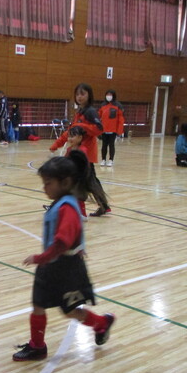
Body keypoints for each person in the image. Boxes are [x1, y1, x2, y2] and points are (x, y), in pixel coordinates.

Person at [13, 150, 116, 361]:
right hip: (51, 264)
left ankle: (101, 323)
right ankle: (37, 346)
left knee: (69, 311)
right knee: (38, 304)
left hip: (66, 268)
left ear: (65, 182)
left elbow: (62, 242)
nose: (44, 187)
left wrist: (40, 258)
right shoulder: (61, 202)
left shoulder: (67, 207)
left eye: (48, 183)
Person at [50, 83, 108, 216]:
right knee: (89, 181)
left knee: (80, 181)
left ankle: (63, 207)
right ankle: (103, 206)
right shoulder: (79, 112)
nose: (79, 97)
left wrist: (82, 126)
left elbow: (99, 129)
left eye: (83, 94)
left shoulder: (90, 112)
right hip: (78, 153)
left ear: (89, 95)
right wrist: (57, 144)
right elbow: (71, 131)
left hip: (85, 153)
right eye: (77, 94)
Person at [98, 89, 125, 166]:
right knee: (104, 145)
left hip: (113, 130)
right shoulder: (102, 105)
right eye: (107, 94)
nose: (108, 96)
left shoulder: (118, 106)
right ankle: (103, 159)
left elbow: (121, 119)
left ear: (113, 96)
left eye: (110, 95)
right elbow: (98, 117)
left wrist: (119, 131)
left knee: (111, 145)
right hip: (104, 130)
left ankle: (111, 160)